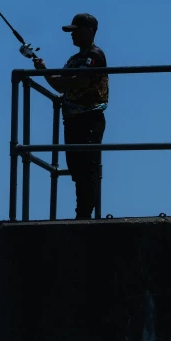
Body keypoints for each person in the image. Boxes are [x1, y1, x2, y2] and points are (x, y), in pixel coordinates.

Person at [32, 13, 109, 219]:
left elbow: (81, 81)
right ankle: (82, 213)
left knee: (87, 167)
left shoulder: (95, 54)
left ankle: (84, 214)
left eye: (75, 31)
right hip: (72, 119)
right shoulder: (74, 59)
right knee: (76, 168)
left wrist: (55, 76)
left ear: (89, 31)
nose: (71, 36)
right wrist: (44, 71)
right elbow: (59, 85)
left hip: (89, 118)